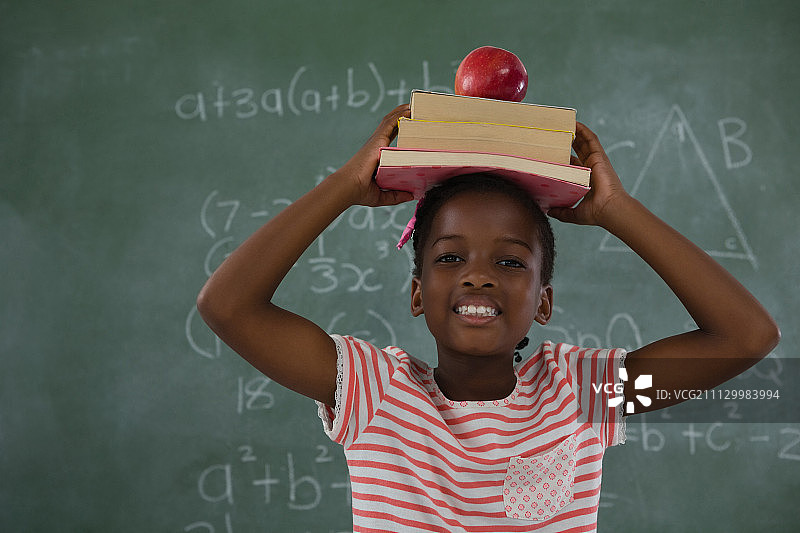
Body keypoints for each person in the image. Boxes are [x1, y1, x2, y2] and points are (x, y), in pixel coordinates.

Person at [196, 103, 780, 531]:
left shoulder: (582, 392)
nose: (478, 277)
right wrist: (346, 185)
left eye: (510, 261)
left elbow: (747, 336)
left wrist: (614, 208)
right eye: (450, 258)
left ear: (544, 302)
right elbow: (227, 306)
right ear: (418, 293)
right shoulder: (375, 392)